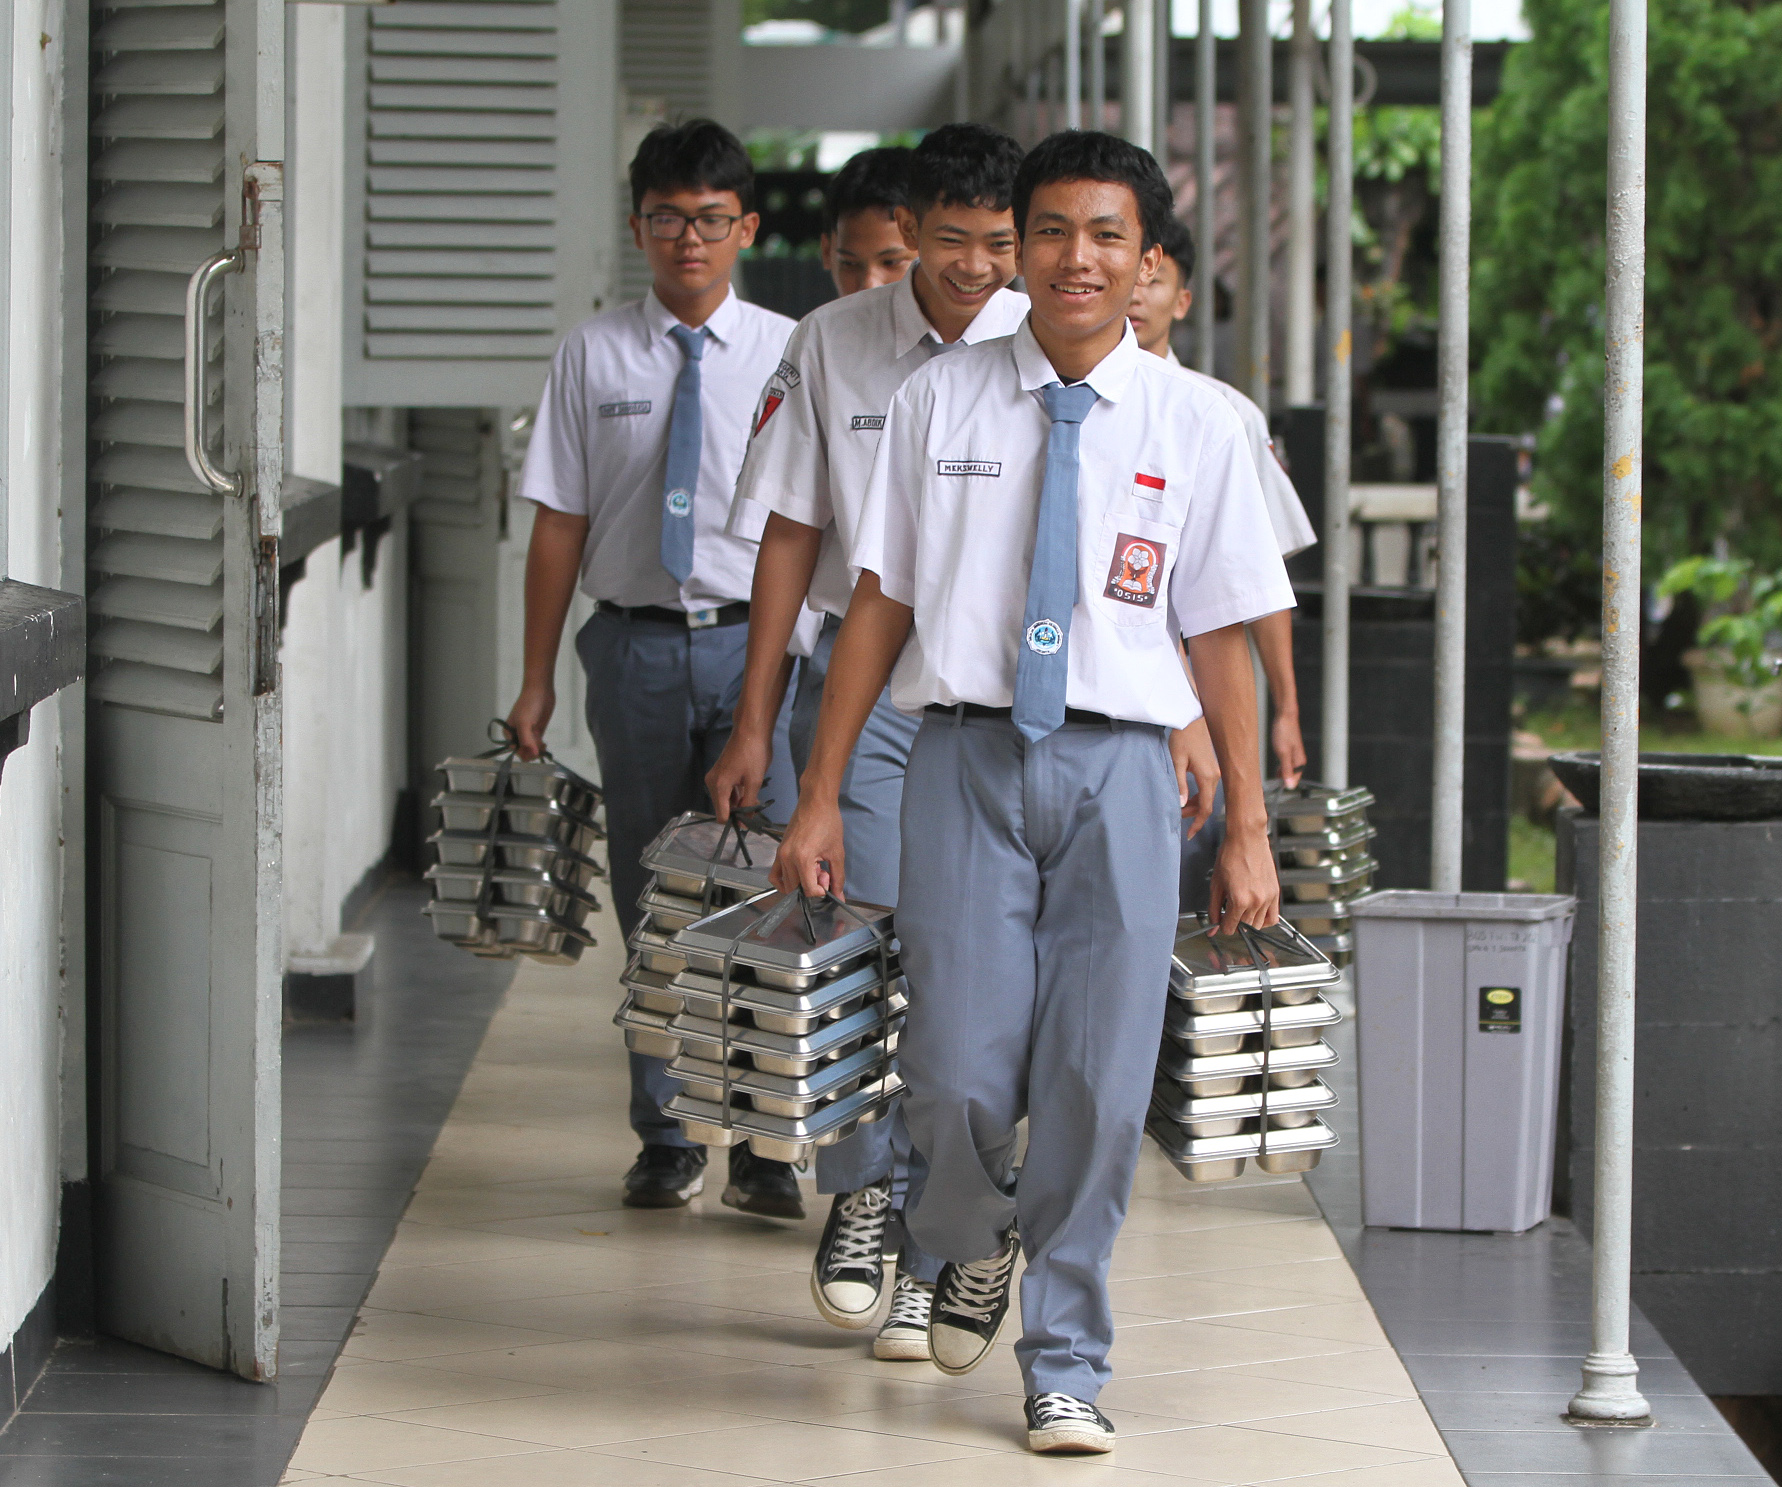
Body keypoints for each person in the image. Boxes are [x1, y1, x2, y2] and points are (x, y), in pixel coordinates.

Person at [772, 131, 1292, 1456]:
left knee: (1096, 1087)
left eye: (1104, 235)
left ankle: (1064, 1357)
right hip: (961, 756)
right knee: (950, 1068)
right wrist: (820, 788)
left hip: (1121, 774)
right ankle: (967, 1231)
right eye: (1049, 231)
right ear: (1019, 244)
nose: (1075, 258)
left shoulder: (1198, 422)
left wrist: (1244, 823)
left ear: (1147, 260)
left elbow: (1220, 628)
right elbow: (877, 600)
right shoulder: (944, 400)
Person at [709, 124, 1031, 1363]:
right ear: (906, 237)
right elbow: (790, 535)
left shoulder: (1041, 342)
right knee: (862, 944)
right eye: (949, 241)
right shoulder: (831, 343)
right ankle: (863, 1195)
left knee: (970, 978)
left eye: (997, 244)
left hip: (1001, 701)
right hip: (862, 694)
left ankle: (947, 1239)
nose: (975, 267)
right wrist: (756, 719)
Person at [503, 119, 806, 1219]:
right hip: (630, 641)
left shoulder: (789, 350)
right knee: (653, 889)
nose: (691, 238)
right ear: (639, 226)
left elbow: (809, 523)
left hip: (752, 646)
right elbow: (557, 525)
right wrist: (534, 677)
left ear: (747, 229)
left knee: (772, 894)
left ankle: (769, 1140)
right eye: (671, 217)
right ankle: (667, 1130)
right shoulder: (592, 355)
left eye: (713, 219)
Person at [1124, 214, 1319, 907]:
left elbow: (1255, 586)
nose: (1137, 294)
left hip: (1200, 694)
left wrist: (1286, 705)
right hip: (1102, 703)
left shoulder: (1223, 417)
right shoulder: (1048, 406)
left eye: (1158, 278)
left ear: (1182, 297)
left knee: (1184, 889)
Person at [819, 145, 920, 296]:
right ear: (826, 252)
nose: (869, 285)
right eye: (849, 264)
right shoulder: (815, 321)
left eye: (891, 262)